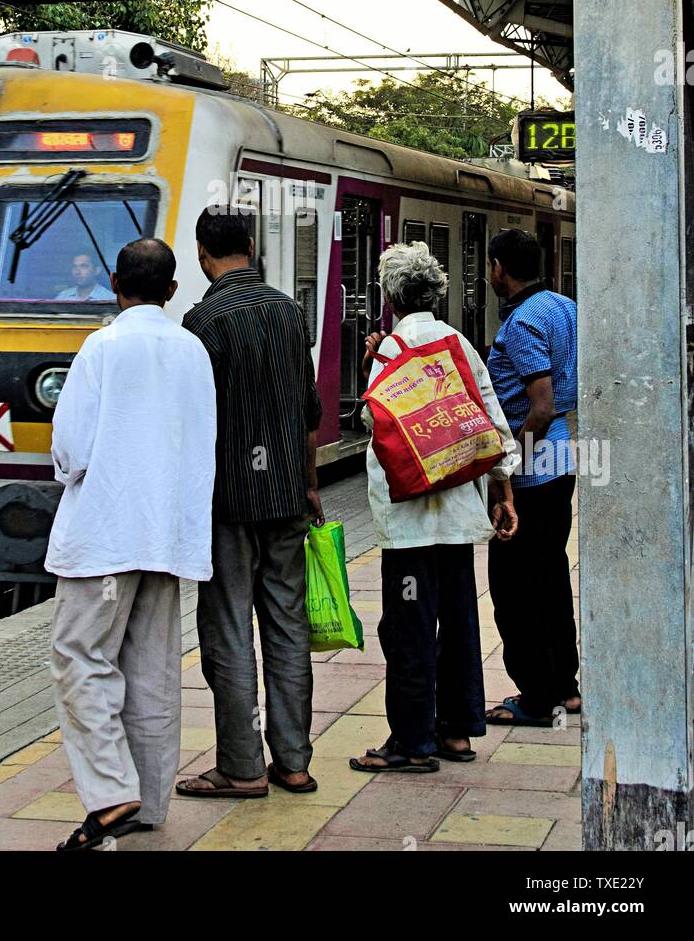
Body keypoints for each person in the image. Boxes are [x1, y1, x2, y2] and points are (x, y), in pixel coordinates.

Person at [46, 238, 217, 850]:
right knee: (152, 671)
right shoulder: (193, 349)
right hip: (168, 536)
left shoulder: (102, 346)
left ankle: (113, 793)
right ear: (173, 291)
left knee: (80, 657)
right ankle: (147, 802)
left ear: (114, 284)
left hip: (105, 536)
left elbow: (71, 448)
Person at [349, 241, 519, 775]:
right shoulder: (458, 344)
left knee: (409, 627)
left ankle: (411, 740)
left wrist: (366, 372)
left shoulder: (390, 350)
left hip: (409, 519)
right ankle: (458, 731)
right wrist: (503, 487)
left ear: (391, 297)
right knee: (460, 619)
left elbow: (375, 424)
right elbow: (488, 415)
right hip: (457, 516)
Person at [176, 206, 323, 800]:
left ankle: (241, 766)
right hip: (287, 492)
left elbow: (191, 420)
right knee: (288, 627)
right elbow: (311, 412)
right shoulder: (289, 313)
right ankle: (293, 762)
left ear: (202, 254)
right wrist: (310, 485)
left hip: (227, 501)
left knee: (230, 628)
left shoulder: (202, 321)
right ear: (253, 245)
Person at [484, 228, 580, 728]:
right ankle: (565, 685)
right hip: (562, 461)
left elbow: (538, 408)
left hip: (534, 472)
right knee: (551, 577)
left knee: (514, 586)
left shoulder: (521, 323)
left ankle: (536, 697)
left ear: (499, 267)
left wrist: (510, 465)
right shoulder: (564, 308)